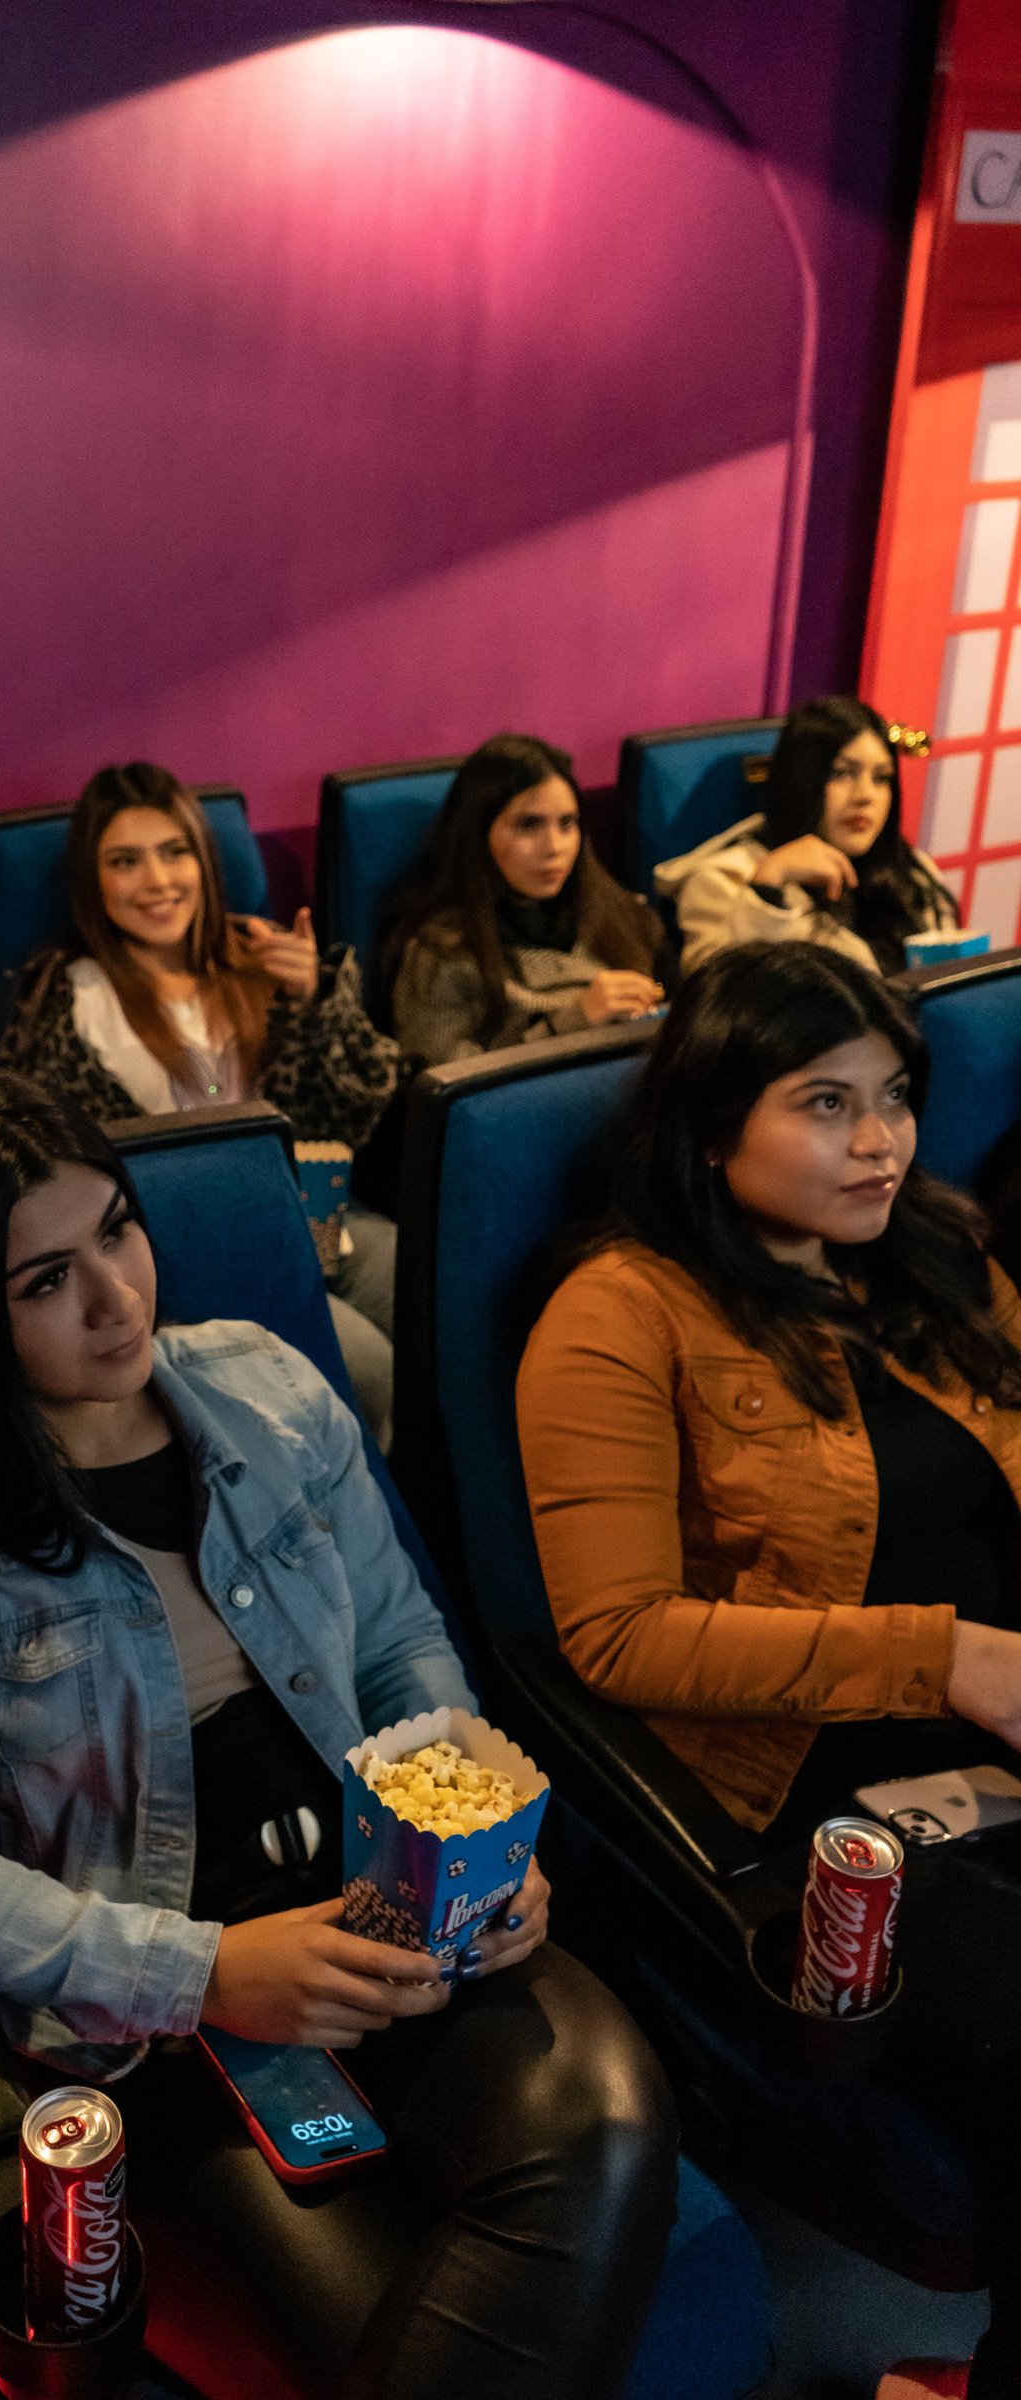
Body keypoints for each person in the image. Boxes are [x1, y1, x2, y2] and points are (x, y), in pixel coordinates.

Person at [0, 1070, 676, 2400]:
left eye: (118, 1231)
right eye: (45, 1282)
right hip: (159, 2017)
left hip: (390, 1910)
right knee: (381, 2335)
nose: (117, 1298)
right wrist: (201, 1972)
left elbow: (396, 1643)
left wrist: (474, 1836)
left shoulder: (266, 1385)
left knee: (611, 2124)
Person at [516, 943, 1021, 2400]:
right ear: (710, 1120)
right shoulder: (620, 1312)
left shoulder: (938, 1257)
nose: (881, 1142)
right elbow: (619, 1635)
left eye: (894, 1095)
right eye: (825, 1103)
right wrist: (950, 1660)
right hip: (819, 1797)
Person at [0, 763, 401, 1441]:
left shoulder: (258, 956)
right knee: (371, 1369)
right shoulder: (69, 997)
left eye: (174, 852)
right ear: (93, 881)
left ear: (205, 862)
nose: (157, 880)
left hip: (316, 1214)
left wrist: (313, 1002)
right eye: (126, 861)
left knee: (437, 1295)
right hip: (188, 1245)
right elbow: (59, 1173)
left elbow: (356, 1113)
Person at [385, 735, 670, 1063]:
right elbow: (447, 1086)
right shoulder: (440, 953)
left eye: (567, 823)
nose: (554, 847)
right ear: (479, 834)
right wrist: (573, 1021)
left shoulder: (623, 914)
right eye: (529, 825)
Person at [654, 696, 959, 975]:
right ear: (801, 780)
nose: (866, 795)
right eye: (842, 773)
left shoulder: (911, 870)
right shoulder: (721, 881)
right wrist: (767, 888)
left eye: (881, 778)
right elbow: (712, 995)